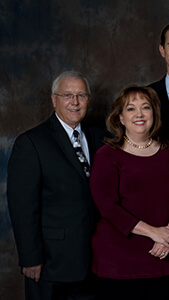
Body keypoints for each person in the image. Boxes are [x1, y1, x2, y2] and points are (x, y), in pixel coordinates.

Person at [7, 71, 105, 299]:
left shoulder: (100, 138)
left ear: (88, 99)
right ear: (54, 99)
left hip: (95, 262)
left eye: (81, 95)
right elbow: (23, 208)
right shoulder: (31, 143)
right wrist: (31, 258)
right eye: (67, 95)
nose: (75, 102)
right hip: (51, 264)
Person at [89, 86, 169, 300]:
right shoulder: (107, 155)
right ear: (120, 118)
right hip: (118, 261)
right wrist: (154, 232)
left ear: (154, 114)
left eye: (145, 107)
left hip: (162, 255)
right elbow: (107, 206)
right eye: (131, 109)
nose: (139, 114)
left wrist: (168, 236)